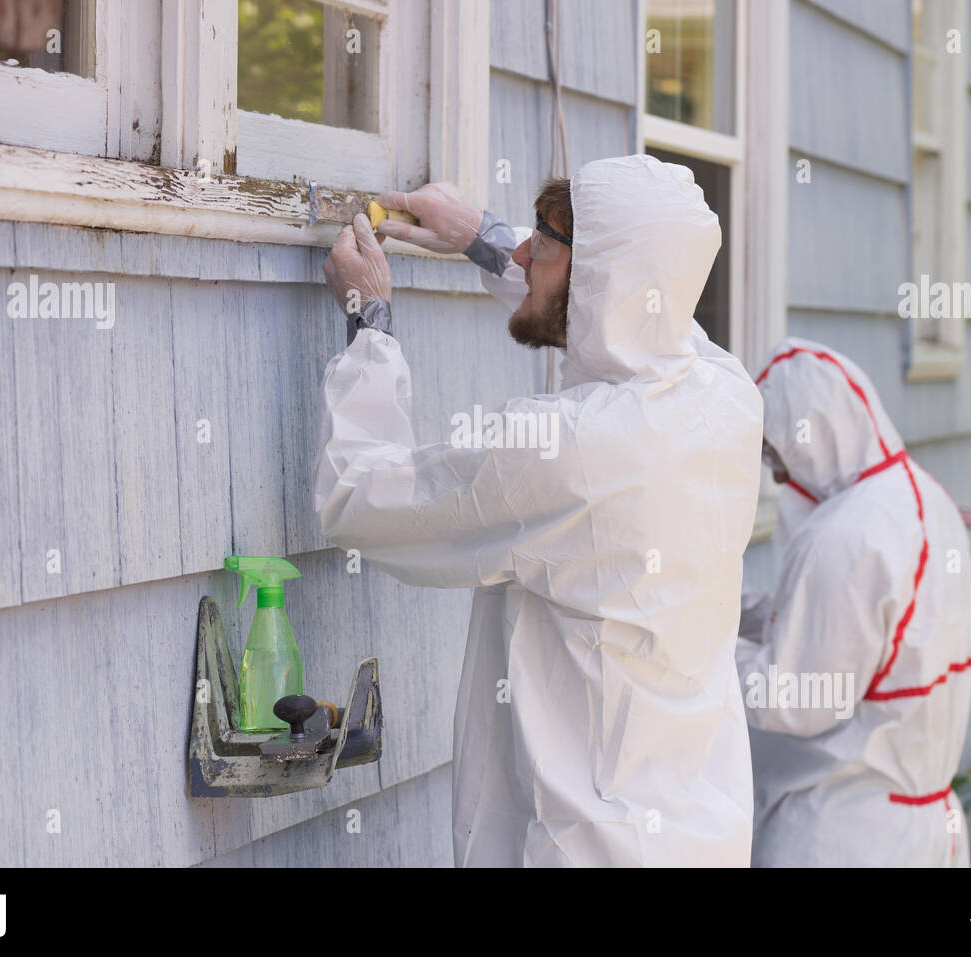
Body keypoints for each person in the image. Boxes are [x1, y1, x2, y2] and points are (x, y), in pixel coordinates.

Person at [315, 155, 763, 866]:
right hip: (699, 836)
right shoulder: (726, 395)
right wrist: (481, 237)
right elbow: (626, 315)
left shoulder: (568, 451)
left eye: (542, 245)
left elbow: (359, 500)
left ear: (598, 279)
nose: (524, 251)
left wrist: (368, 321)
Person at [736, 337, 971, 866]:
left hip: (843, 832)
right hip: (923, 824)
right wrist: (741, 609)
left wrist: (698, 645)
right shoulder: (927, 501)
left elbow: (795, 697)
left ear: (813, 434)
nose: (777, 476)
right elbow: (855, 636)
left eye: (777, 454)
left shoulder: (844, 536)